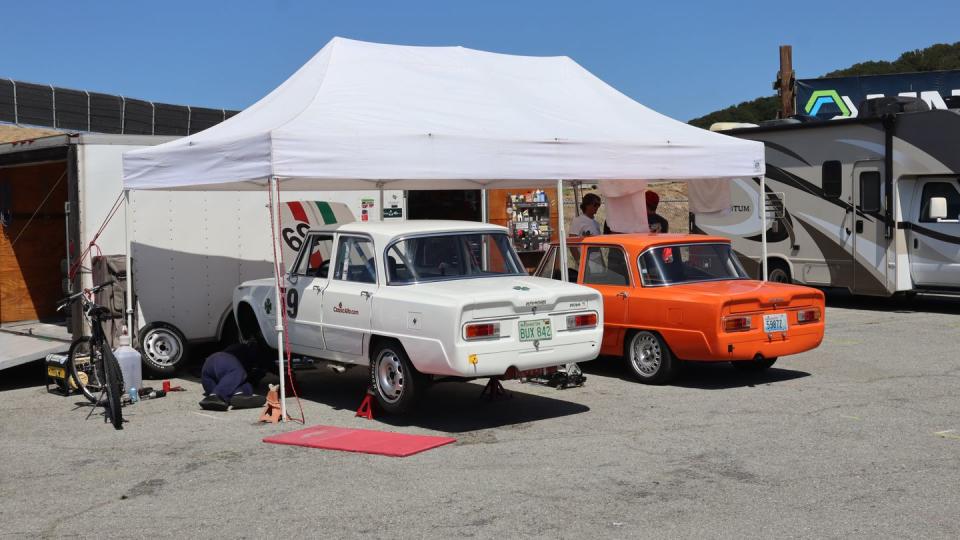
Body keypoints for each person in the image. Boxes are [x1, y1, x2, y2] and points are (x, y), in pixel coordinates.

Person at [198, 341, 268, 411]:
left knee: (247, 386)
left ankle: (238, 395)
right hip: (218, 360)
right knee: (238, 372)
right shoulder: (245, 348)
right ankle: (214, 396)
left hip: (212, 383)